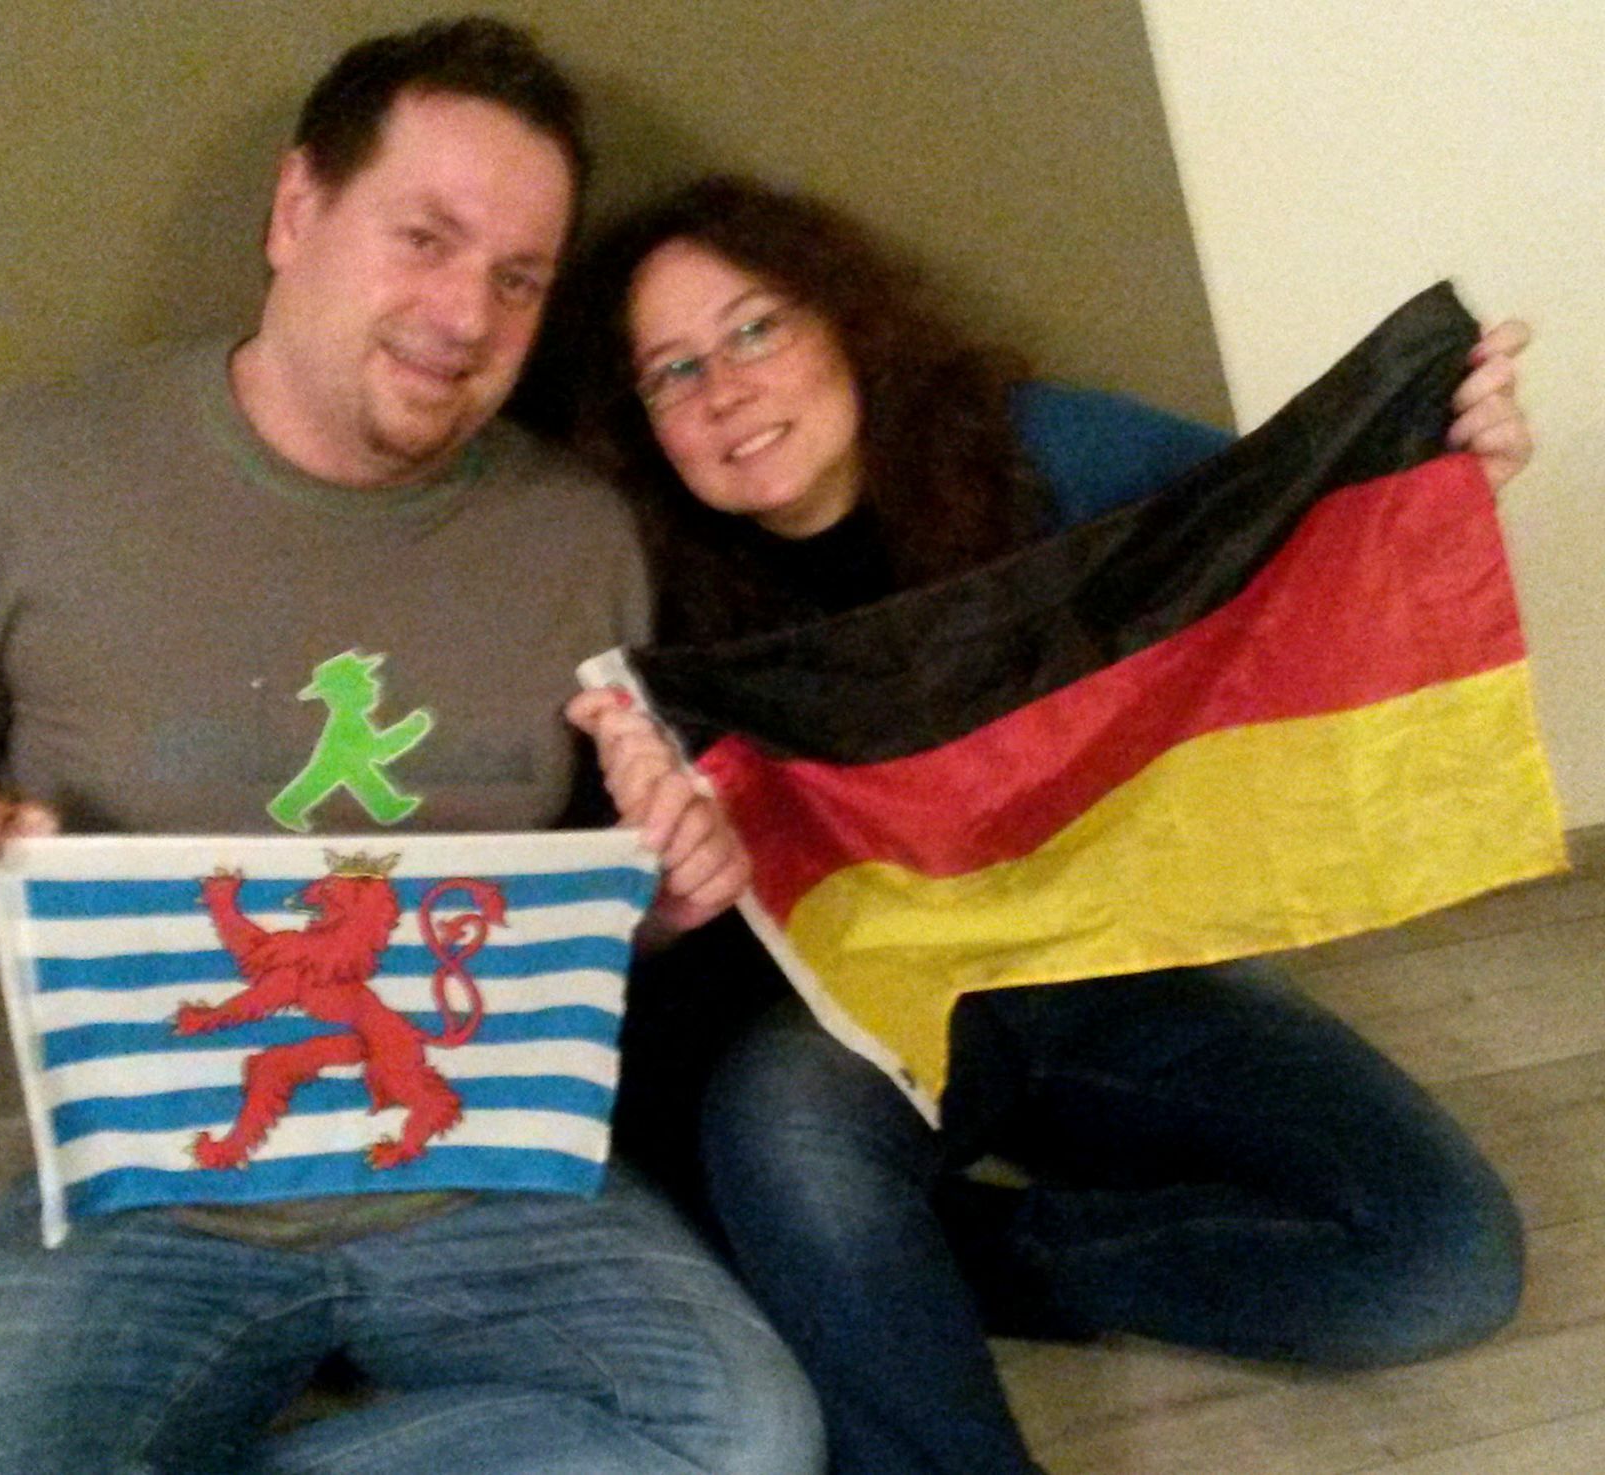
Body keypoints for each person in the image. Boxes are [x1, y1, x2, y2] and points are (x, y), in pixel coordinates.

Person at [0, 30, 821, 1475]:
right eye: (425, 239)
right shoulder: (20, 472)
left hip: (495, 1171)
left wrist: (662, 897)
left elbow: (587, 906)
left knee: (749, 1440)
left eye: (519, 279)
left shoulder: (585, 537)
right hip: (148, 1186)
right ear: (297, 213)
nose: (464, 316)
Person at [564, 174, 1534, 1475]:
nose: (727, 389)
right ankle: (879, 1305)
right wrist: (659, 848)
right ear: (644, 427)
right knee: (775, 1131)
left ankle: (943, 1266)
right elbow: (622, 923)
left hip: (1100, 962)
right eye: (674, 372)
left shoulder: (1043, 452)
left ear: (843, 321)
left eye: (755, 329)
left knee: (1442, 1263)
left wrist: (1443, 469)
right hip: (857, 1015)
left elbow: (1289, 541)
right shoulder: (627, 585)